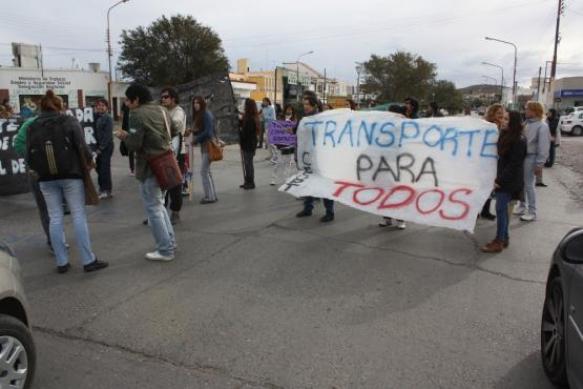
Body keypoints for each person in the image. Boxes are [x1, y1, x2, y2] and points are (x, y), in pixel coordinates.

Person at [25, 90, 108, 273]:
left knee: (55, 218)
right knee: (78, 216)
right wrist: (89, 161)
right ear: (59, 106)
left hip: (45, 178)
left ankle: (61, 262)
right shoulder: (68, 121)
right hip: (70, 174)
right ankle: (88, 260)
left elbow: (27, 151)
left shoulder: (32, 125)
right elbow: (81, 144)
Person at [115, 83, 177, 261]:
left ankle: (165, 249)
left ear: (137, 100)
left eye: (128, 99)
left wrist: (124, 136)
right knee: (159, 205)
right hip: (165, 162)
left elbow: (134, 144)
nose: (126, 103)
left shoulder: (137, 114)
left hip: (149, 165)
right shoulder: (162, 110)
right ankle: (170, 242)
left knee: (153, 209)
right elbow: (173, 130)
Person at [481, 111, 527, 253]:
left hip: (509, 182)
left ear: (513, 122)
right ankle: (504, 237)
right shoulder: (506, 135)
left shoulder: (519, 140)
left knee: (501, 211)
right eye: (502, 118)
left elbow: (514, 165)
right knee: (502, 211)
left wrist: (499, 181)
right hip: (504, 179)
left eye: (506, 119)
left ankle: (498, 242)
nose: (503, 121)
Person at [296, 94, 335, 223]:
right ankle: (308, 208)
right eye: (304, 104)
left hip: (321, 158)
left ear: (314, 105)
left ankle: (330, 212)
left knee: (324, 185)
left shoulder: (321, 118)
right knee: (309, 182)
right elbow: (299, 133)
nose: (305, 107)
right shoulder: (305, 118)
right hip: (308, 156)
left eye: (307, 104)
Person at [513, 101, 551, 222]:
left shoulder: (542, 126)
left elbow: (544, 147)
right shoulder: (526, 123)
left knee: (529, 185)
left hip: (531, 158)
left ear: (535, 111)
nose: (525, 111)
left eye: (527, 109)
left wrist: (539, 164)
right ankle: (522, 206)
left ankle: (532, 211)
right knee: (522, 184)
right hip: (523, 157)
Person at [379, 103, 408, 229]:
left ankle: (401, 220)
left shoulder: (405, 125)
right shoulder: (385, 127)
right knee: (385, 192)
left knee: (397, 193)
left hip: (400, 165)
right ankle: (387, 218)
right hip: (385, 164)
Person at [160, 87, 186, 224]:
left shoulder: (178, 111)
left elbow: (176, 124)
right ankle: (159, 213)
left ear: (173, 98)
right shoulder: (163, 110)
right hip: (163, 152)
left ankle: (175, 212)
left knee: (175, 184)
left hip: (176, 153)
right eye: (162, 97)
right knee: (161, 184)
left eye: (166, 97)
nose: (163, 99)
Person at [479, 103, 506, 221]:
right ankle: (478, 211)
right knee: (484, 187)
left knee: (490, 187)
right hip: (486, 161)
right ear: (492, 113)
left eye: (502, 113)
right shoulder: (488, 126)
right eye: (498, 113)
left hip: (496, 161)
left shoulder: (502, 126)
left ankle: (485, 210)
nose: (501, 115)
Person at [191, 96, 218, 204]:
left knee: (203, 172)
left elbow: (208, 131)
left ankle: (209, 196)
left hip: (207, 145)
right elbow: (210, 130)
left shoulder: (205, 114)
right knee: (207, 172)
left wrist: (196, 139)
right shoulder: (205, 114)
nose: (195, 105)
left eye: (197, 103)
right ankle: (212, 195)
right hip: (206, 144)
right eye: (194, 103)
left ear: (202, 103)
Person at [271, 104, 297, 186]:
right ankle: (273, 179)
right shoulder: (280, 118)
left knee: (288, 162)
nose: (289, 111)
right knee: (278, 162)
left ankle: (286, 178)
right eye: (288, 109)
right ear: (285, 110)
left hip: (290, 144)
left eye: (291, 109)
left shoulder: (294, 120)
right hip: (280, 144)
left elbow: (295, 132)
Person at [94, 99, 114, 199]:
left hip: (106, 147)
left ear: (106, 107)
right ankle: (103, 188)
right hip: (97, 147)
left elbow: (107, 136)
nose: (100, 107)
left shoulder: (108, 118)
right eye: (98, 105)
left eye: (102, 105)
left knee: (104, 169)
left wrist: (101, 148)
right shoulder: (96, 117)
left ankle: (106, 190)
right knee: (98, 168)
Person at [239, 98, 259, 190]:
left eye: (245, 104)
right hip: (248, 143)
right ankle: (247, 181)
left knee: (248, 163)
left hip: (249, 144)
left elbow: (246, 132)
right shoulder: (248, 116)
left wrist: (240, 134)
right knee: (247, 163)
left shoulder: (250, 118)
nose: (243, 106)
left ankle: (250, 182)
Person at [120, 102, 135, 176]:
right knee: (131, 151)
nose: (127, 103)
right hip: (128, 132)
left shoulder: (137, 109)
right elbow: (123, 121)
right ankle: (132, 169)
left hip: (135, 132)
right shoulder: (126, 109)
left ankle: (137, 168)